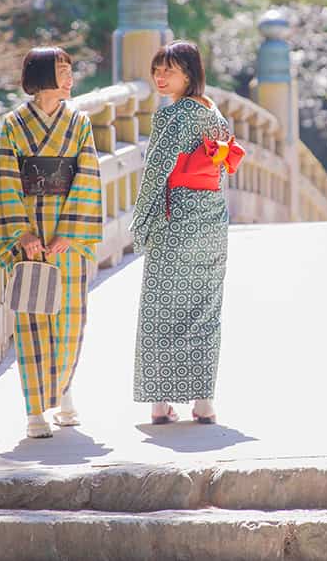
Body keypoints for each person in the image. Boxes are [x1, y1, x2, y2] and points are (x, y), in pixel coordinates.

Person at [0, 47, 104, 438]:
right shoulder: (14, 124)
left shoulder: (79, 123)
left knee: (70, 319)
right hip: (29, 236)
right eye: (61, 71)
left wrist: (69, 232)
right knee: (32, 319)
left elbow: (87, 176)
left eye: (69, 70)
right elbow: (4, 178)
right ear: (42, 76)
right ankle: (35, 410)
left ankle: (64, 393)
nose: (69, 78)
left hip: (66, 237)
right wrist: (21, 232)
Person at [130, 41, 234, 425]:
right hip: (211, 222)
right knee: (205, 311)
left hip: (174, 223)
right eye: (157, 70)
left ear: (189, 75)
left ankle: (159, 404)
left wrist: (141, 221)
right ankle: (203, 402)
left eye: (169, 71)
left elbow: (157, 171)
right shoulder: (213, 112)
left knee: (161, 310)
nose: (160, 77)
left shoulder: (172, 115)